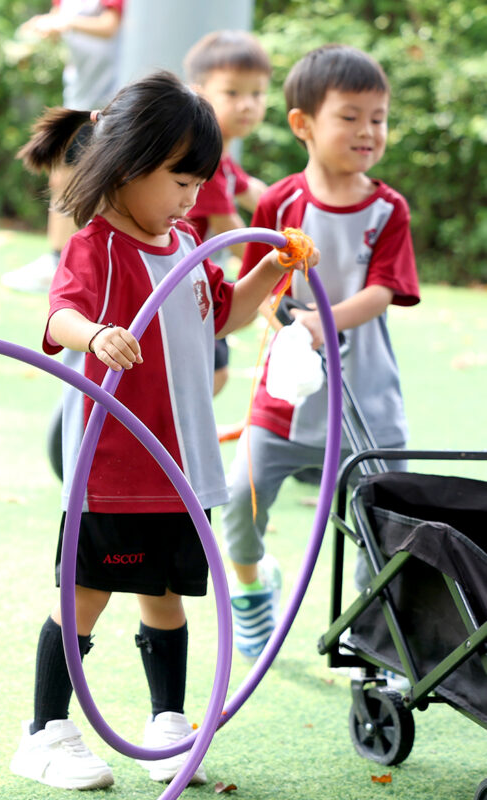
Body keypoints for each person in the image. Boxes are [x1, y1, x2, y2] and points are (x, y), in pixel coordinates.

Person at [8, 71, 316, 791]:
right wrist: (98, 334)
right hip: (114, 467)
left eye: (198, 183)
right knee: (84, 595)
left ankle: (168, 723)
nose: (190, 198)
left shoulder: (184, 244)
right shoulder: (97, 245)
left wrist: (271, 267)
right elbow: (58, 316)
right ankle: (46, 731)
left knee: (167, 596)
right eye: (180, 181)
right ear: (127, 167)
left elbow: (225, 316)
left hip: (183, 467)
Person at [220, 44, 418, 659]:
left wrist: (317, 323)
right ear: (304, 123)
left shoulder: (387, 209)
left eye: (378, 118)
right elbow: (258, 286)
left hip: (365, 404)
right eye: (351, 116)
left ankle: (371, 633)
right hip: (283, 397)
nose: (368, 131)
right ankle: (252, 588)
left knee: (383, 527)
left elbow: (383, 290)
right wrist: (276, 321)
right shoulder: (280, 203)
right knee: (239, 506)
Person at [1, 0, 125, 294]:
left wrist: (64, 23)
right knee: (64, 178)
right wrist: (46, 26)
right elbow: (61, 23)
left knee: (71, 180)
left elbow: (110, 26)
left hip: (107, 102)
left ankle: (61, 264)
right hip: (80, 99)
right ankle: (60, 263)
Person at [184, 30, 273, 397]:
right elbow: (228, 228)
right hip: (181, 279)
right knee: (209, 370)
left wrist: (300, 209)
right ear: (200, 92)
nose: (247, 105)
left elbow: (259, 195)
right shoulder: (201, 157)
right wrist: (276, 259)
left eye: (257, 93)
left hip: (199, 278)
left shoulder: (223, 156)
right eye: (232, 93)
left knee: (214, 372)